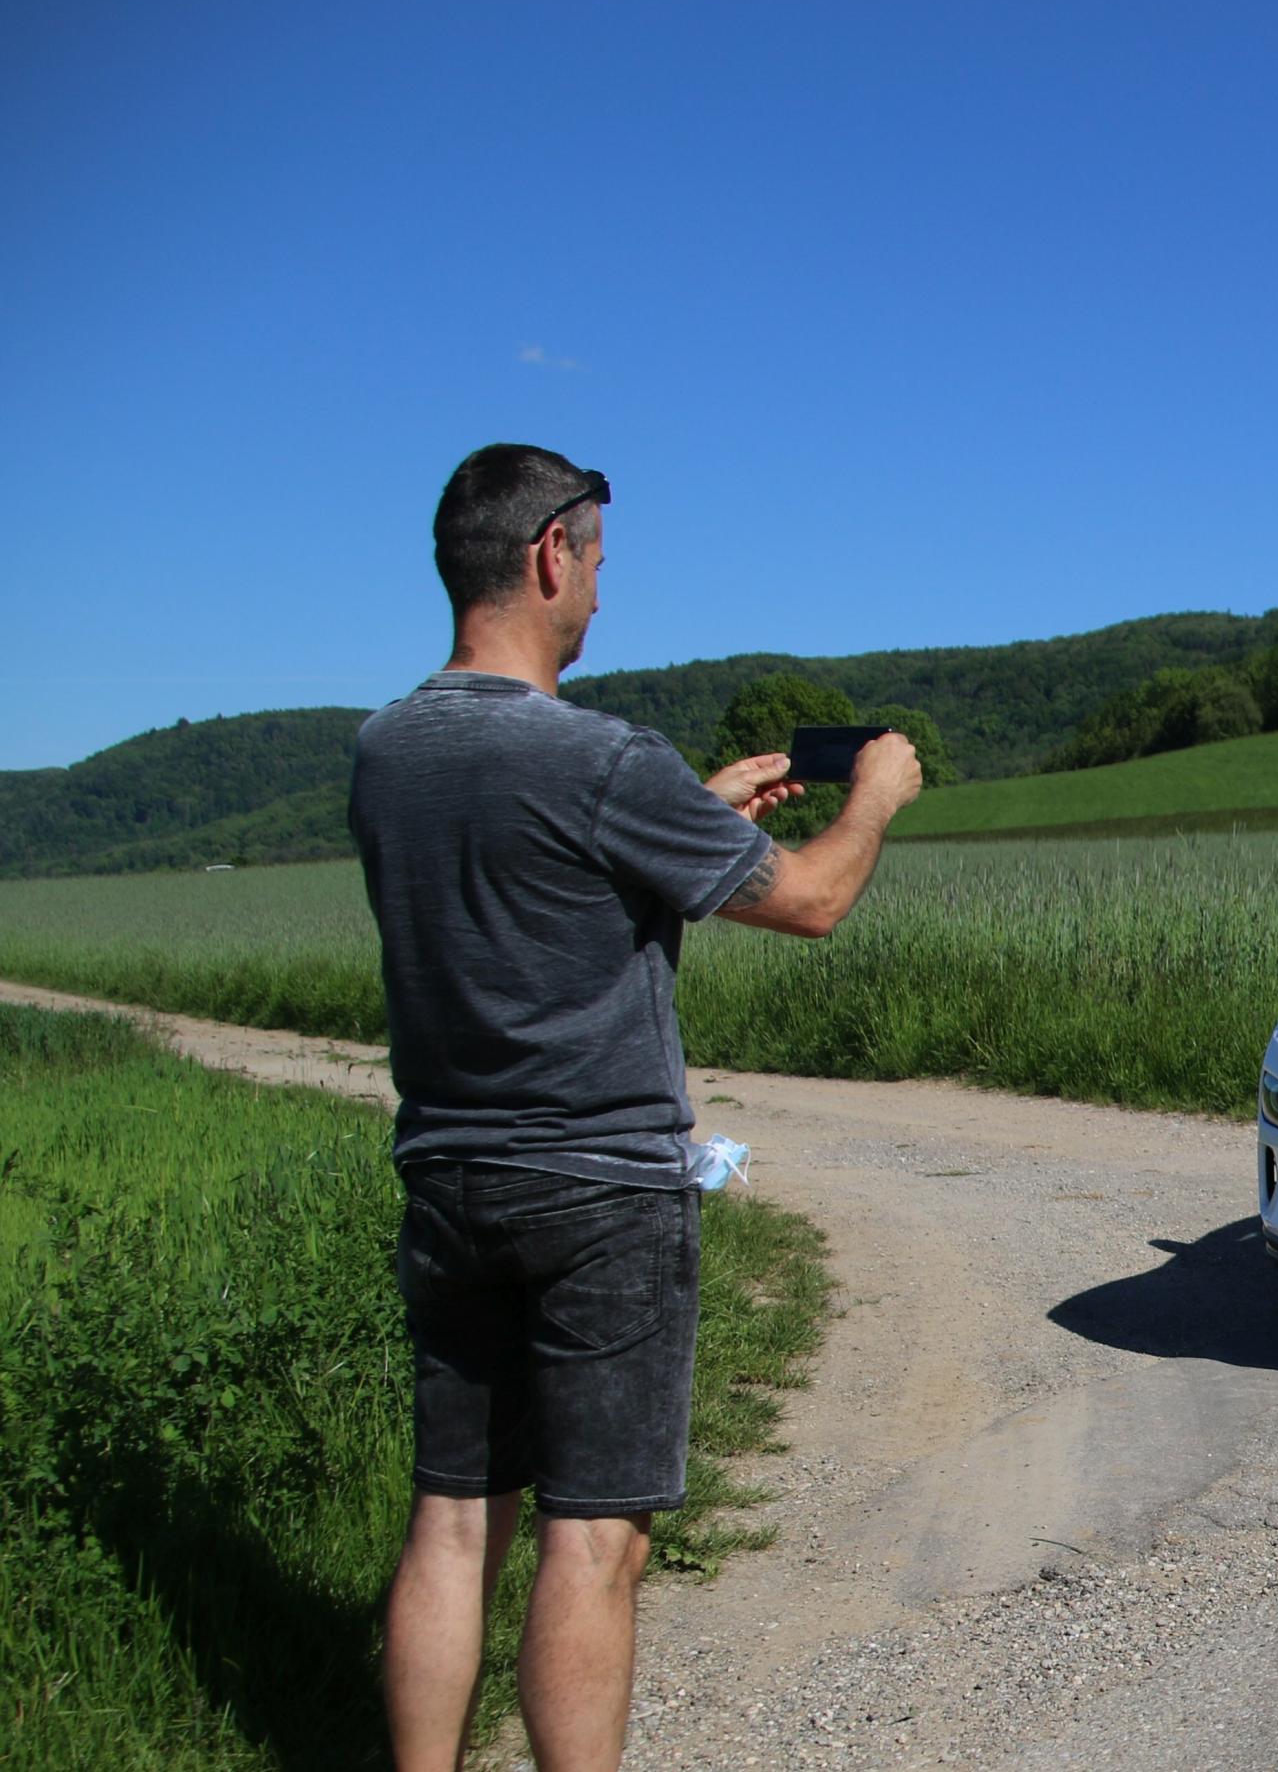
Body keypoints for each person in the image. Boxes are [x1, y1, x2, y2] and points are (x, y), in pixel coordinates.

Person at [355, 444, 922, 1771]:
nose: (602, 593)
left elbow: (536, 899)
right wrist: (876, 800)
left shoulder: (385, 754)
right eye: (600, 561)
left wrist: (698, 816)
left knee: (452, 1520)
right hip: (600, 1196)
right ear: (551, 554)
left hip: (446, 1177)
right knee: (591, 1538)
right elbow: (813, 900)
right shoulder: (600, 757)